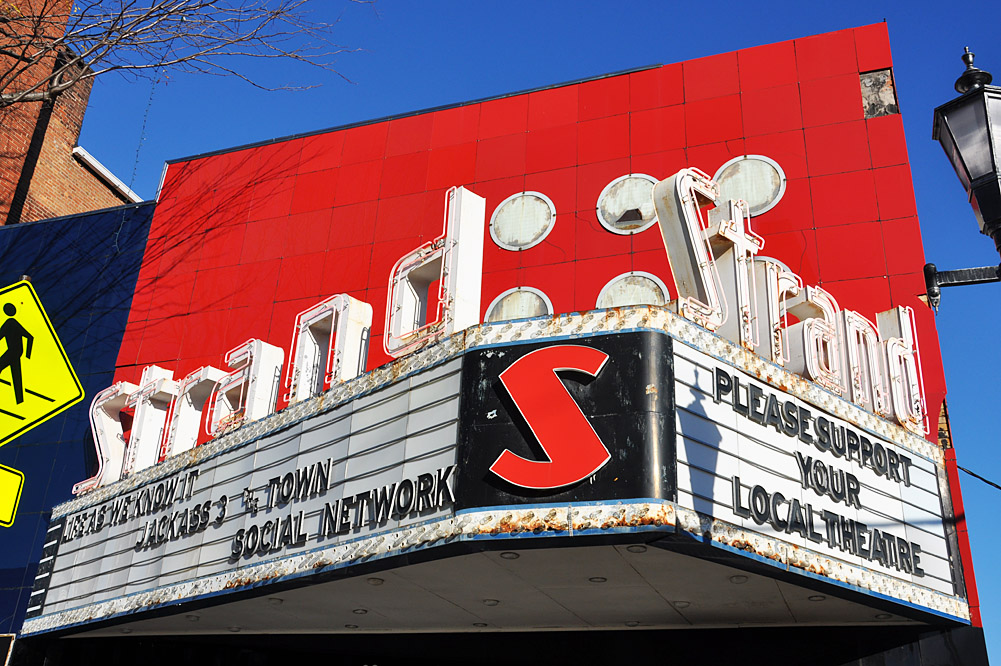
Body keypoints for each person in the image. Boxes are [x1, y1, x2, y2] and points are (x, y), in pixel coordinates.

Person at [0, 303, 33, 404]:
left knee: (15, 374)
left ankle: (20, 400)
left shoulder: (11, 323)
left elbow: (30, 337)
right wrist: (26, 354)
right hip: (17, 352)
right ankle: (20, 401)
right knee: (16, 375)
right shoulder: (10, 323)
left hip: (14, 352)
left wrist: (28, 355)